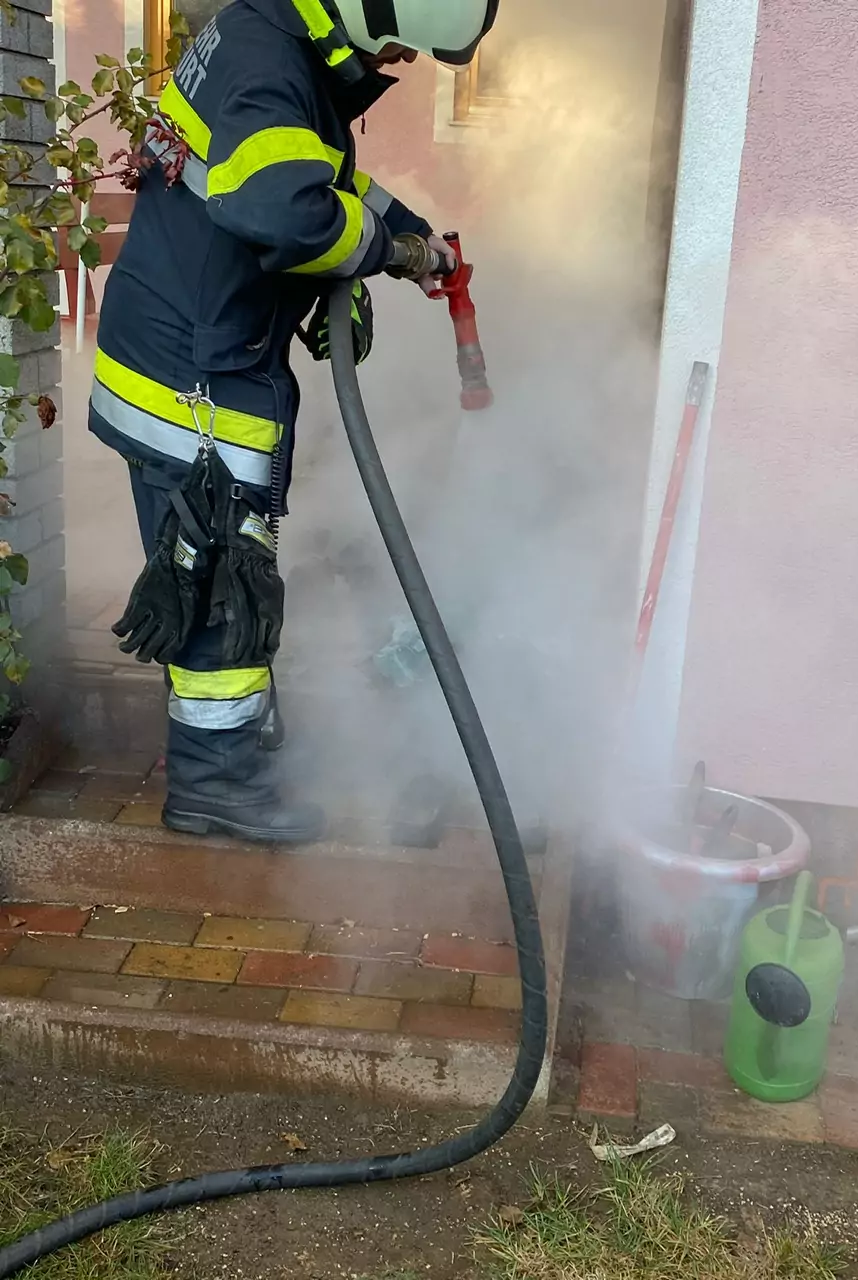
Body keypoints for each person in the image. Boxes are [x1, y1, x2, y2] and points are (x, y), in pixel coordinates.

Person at [89, 0, 498, 843]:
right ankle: (215, 784)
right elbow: (283, 212)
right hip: (191, 382)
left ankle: (233, 745)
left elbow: (318, 178)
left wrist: (406, 231)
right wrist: (388, 253)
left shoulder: (272, 38)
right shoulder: (272, 61)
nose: (399, 62)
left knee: (223, 574)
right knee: (222, 587)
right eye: (396, 45)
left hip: (199, 344)